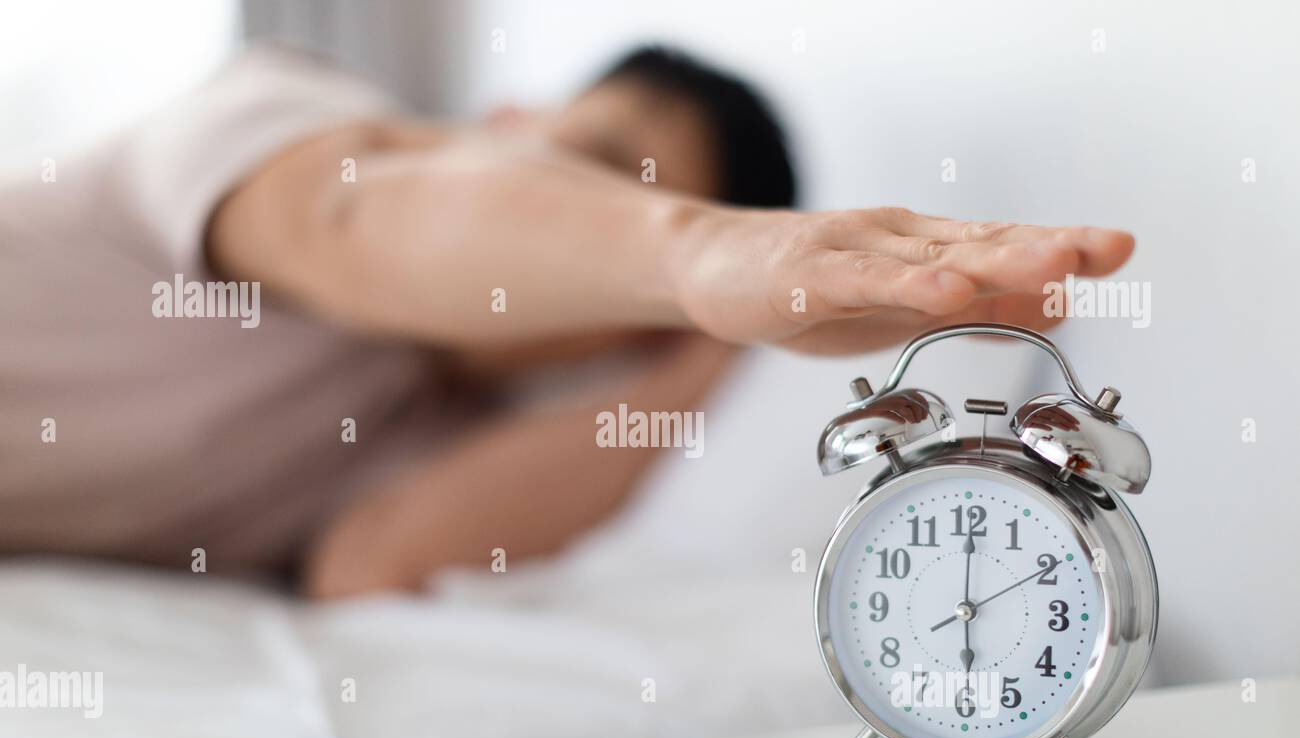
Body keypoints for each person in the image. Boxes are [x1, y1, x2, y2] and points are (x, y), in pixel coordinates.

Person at [0, 45, 1133, 598]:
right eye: (593, 166)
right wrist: (698, 252)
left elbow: (365, 563)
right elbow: (346, 219)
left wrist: (707, 338)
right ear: (506, 117)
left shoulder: (425, 415)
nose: (607, 232)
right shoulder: (281, 112)